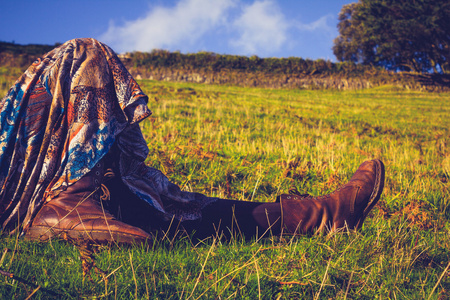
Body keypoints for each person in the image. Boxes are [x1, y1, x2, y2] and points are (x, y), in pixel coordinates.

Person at [0, 38, 385, 245]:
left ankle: (327, 215)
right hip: (17, 182)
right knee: (84, 52)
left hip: (57, 189)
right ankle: (69, 199)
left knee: (174, 208)